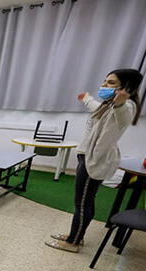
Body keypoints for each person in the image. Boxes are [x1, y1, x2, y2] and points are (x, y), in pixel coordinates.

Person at [46, 68, 143, 253]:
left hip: (95, 160)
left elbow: (123, 115)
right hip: (87, 156)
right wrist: (86, 99)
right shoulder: (108, 105)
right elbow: (96, 107)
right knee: (86, 200)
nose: (104, 85)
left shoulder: (126, 106)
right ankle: (76, 235)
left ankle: (73, 242)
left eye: (111, 82)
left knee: (82, 202)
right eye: (105, 81)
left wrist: (121, 102)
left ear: (126, 87)